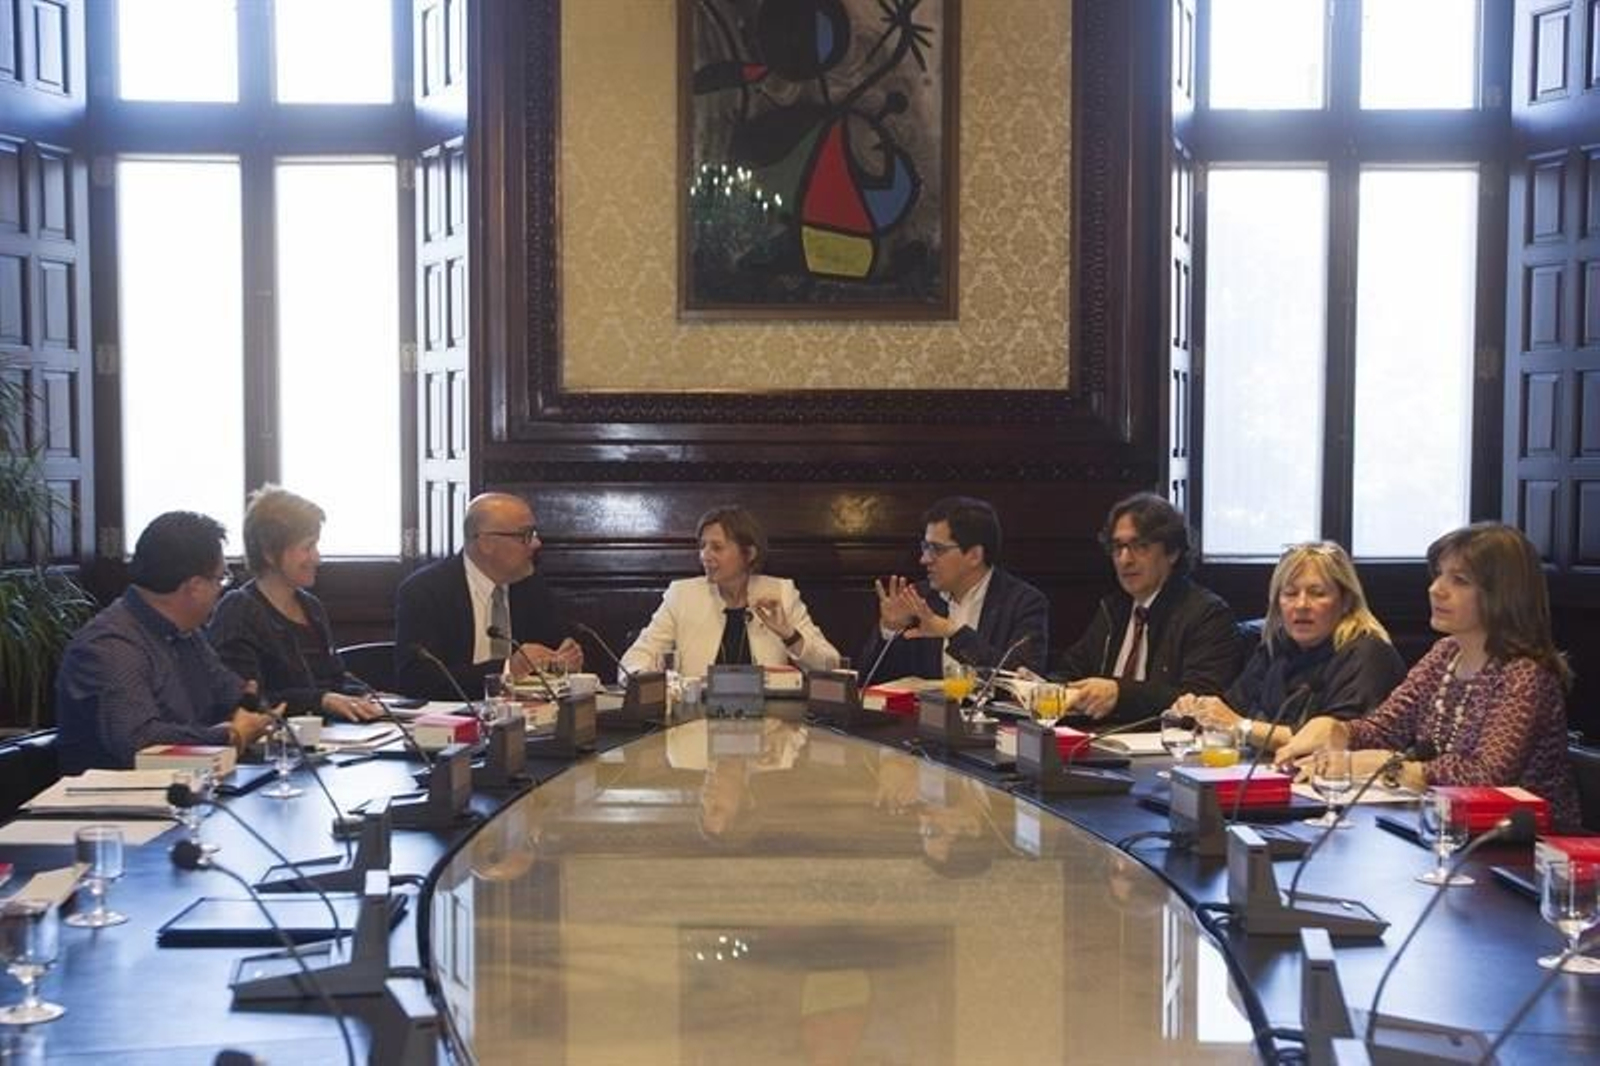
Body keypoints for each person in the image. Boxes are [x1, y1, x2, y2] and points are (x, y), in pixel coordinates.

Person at [1277, 523, 1581, 830]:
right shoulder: (1445, 654)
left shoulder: (1525, 675)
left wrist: (1389, 768)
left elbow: (1485, 778)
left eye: (1459, 580)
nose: (1436, 589)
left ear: (1502, 594)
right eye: (1438, 574)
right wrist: (1337, 731)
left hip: (1529, 851)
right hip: (1447, 827)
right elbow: (1385, 729)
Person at [56, 512, 277, 773]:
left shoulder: (186, 632)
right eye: (221, 578)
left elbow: (232, 693)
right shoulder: (110, 645)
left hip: (189, 788)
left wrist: (249, 707)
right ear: (194, 587)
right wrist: (229, 735)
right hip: (121, 803)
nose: (223, 589)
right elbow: (138, 740)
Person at [1179, 542, 1405, 752]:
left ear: (1345, 601)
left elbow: (1336, 741)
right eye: (1290, 593)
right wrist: (1200, 712)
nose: (1301, 605)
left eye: (1317, 593)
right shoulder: (1276, 647)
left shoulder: (1368, 654)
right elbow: (1232, 710)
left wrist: (1241, 726)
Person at [1054, 492, 1240, 724]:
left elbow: (1199, 699)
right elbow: (1071, 669)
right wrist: (1041, 686)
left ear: (1172, 552)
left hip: (1164, 747)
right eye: (1118, 547)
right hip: (1102, 740)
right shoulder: (1113, 609)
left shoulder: (1206, 614)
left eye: (1139, 546)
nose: (1124, 559)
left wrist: (1120, 694)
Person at [206, 486, 384, 721]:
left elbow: (335, 680)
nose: (317, 558)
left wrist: (370, 696)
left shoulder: (311, 606)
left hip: (334, 739)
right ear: (270, 553)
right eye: (307, 547)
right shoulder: (238, 609)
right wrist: (321, 701)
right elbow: (245, 698)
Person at [394, 492, 584, 700]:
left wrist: (564, 660)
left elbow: (552, 653)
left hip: (527, 718)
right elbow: (417, 680)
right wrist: (507, 669)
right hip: (454, 719)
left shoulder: (532, 586)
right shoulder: (425, 591)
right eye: (526, 535)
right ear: (486, 543)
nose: (536, 543)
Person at [620, 505, 841, 679]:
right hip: (695, 724)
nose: (705, 556)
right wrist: (650, 681)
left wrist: (790, 636)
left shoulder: (780, 592)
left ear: (749, 553)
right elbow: (635, 659)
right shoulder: (682, 595)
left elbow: (831, 666)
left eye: (716, 547)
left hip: (769, 727)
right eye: (702, 546)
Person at [858, 496, 1048, 682]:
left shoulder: (1023, 603)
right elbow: (871, 683)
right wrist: (889, 630)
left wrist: (954, 632)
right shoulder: (918, 599)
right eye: (925, 547)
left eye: (936, 549)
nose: (924, 559)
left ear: (974, 555)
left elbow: (1024, 682)